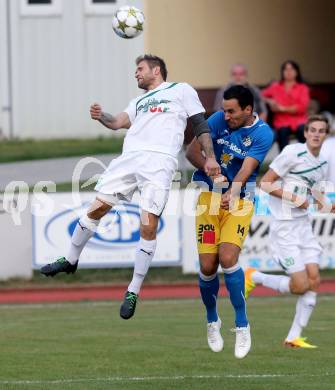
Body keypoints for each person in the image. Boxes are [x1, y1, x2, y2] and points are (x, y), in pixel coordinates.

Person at [41, 54, 220, 319]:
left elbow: (200, 124)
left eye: (140, 69)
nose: (135, 74)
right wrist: (102, 116)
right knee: (95, 209)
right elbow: (117, 122)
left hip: (159, 162)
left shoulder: (180, 90)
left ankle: (133, 289)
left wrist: (210, 157)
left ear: (156, 70)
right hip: (128, 161)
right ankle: (70, 259)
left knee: (148, 225)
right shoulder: (138, 101)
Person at [186, 85, 273, 358]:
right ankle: (212, 320)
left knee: (227, 257)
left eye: (232, 111)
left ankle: (242, 324)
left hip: (240, 200)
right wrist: (210, 171)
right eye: (224, 109)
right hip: (208, 200)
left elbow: (247, 170)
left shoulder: (262, 133)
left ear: (248, 110)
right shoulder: (217, 120)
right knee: (207, 264)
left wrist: (231, 192)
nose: (226, 115)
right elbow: (191, 153)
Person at [245, 115, 335, 348]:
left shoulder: (323, 163)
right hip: (284, 228)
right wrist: (293, 198)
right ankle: (254, 277)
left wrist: (327, 206)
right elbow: (266, 183)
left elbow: (317, 196)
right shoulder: (293, 152)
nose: (316, 134)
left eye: (321, 131)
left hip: (303, 226)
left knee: (314, 279)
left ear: (326, 134)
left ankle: (293, 337)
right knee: (300, 286)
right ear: (305, 133)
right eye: (312, 130)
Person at [262, 60, 310, 151]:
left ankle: (305, 159)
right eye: (286, 69)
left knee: (303, 130)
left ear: (297, 72)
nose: (288, 72)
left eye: (291, 69)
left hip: (300, 120)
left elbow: (302, 108)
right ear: (282, 72)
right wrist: (270, 101)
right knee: (282, 132)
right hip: (282, 121)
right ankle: (284, 162)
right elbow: (260, 95)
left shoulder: (303, 88)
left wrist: (282, 109)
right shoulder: (275, 86)